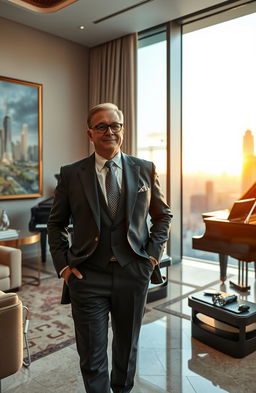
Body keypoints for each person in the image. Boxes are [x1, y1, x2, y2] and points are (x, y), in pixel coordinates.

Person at [47, 103, 172, 393]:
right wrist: (64, 266)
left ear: (123, 130)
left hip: (133, 274)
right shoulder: (71, 174)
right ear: (90, 133)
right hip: (88, 276)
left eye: (115, 125)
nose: (109, 131)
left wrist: (152, 258)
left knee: (127, 351)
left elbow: (163, 215)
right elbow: (56, 225)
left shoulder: (145, 169)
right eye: (101, 126)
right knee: (92, 356)